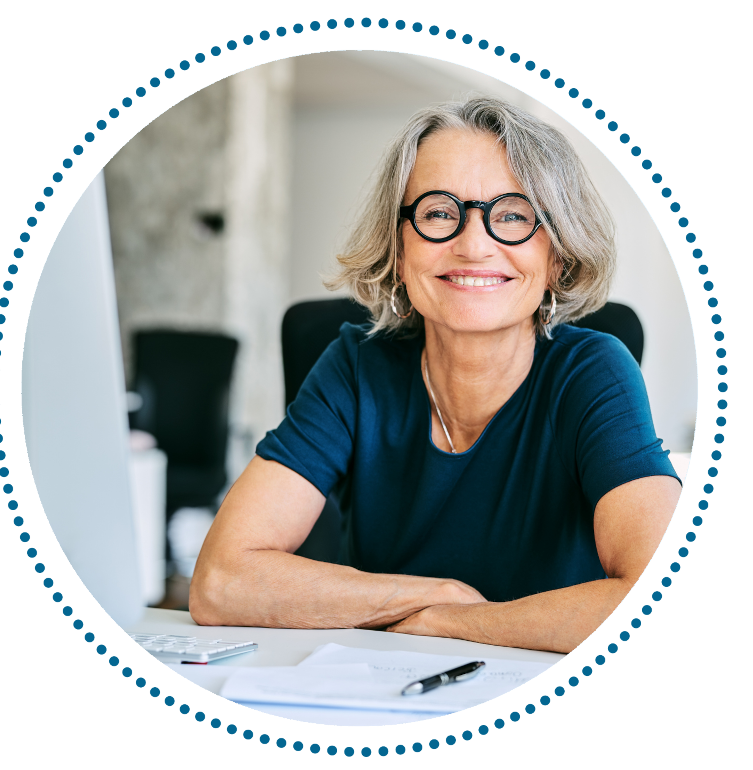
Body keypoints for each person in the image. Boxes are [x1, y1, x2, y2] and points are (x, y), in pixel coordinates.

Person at [190, 98, 681, 654]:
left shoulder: (594, 373)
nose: (473, 245)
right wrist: (436, 594)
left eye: (514, 215)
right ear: (400, 250)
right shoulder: (356, 366)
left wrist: (450, 622)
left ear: (558, 259)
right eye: (439, 212)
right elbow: (220, 583)